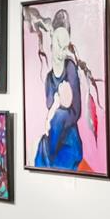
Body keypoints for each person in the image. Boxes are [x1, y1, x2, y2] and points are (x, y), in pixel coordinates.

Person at [33, 9, 84, 170]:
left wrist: (56, 115)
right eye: (58, 46)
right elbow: (52, 108)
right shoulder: (49, 79)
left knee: (59, 117)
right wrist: (57, 106)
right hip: (52, 139)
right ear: (51, 41)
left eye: (65, 48)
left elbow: (75, 111)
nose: (62, 53)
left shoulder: (70, 69)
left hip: (69, 142)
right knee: (41, 155)